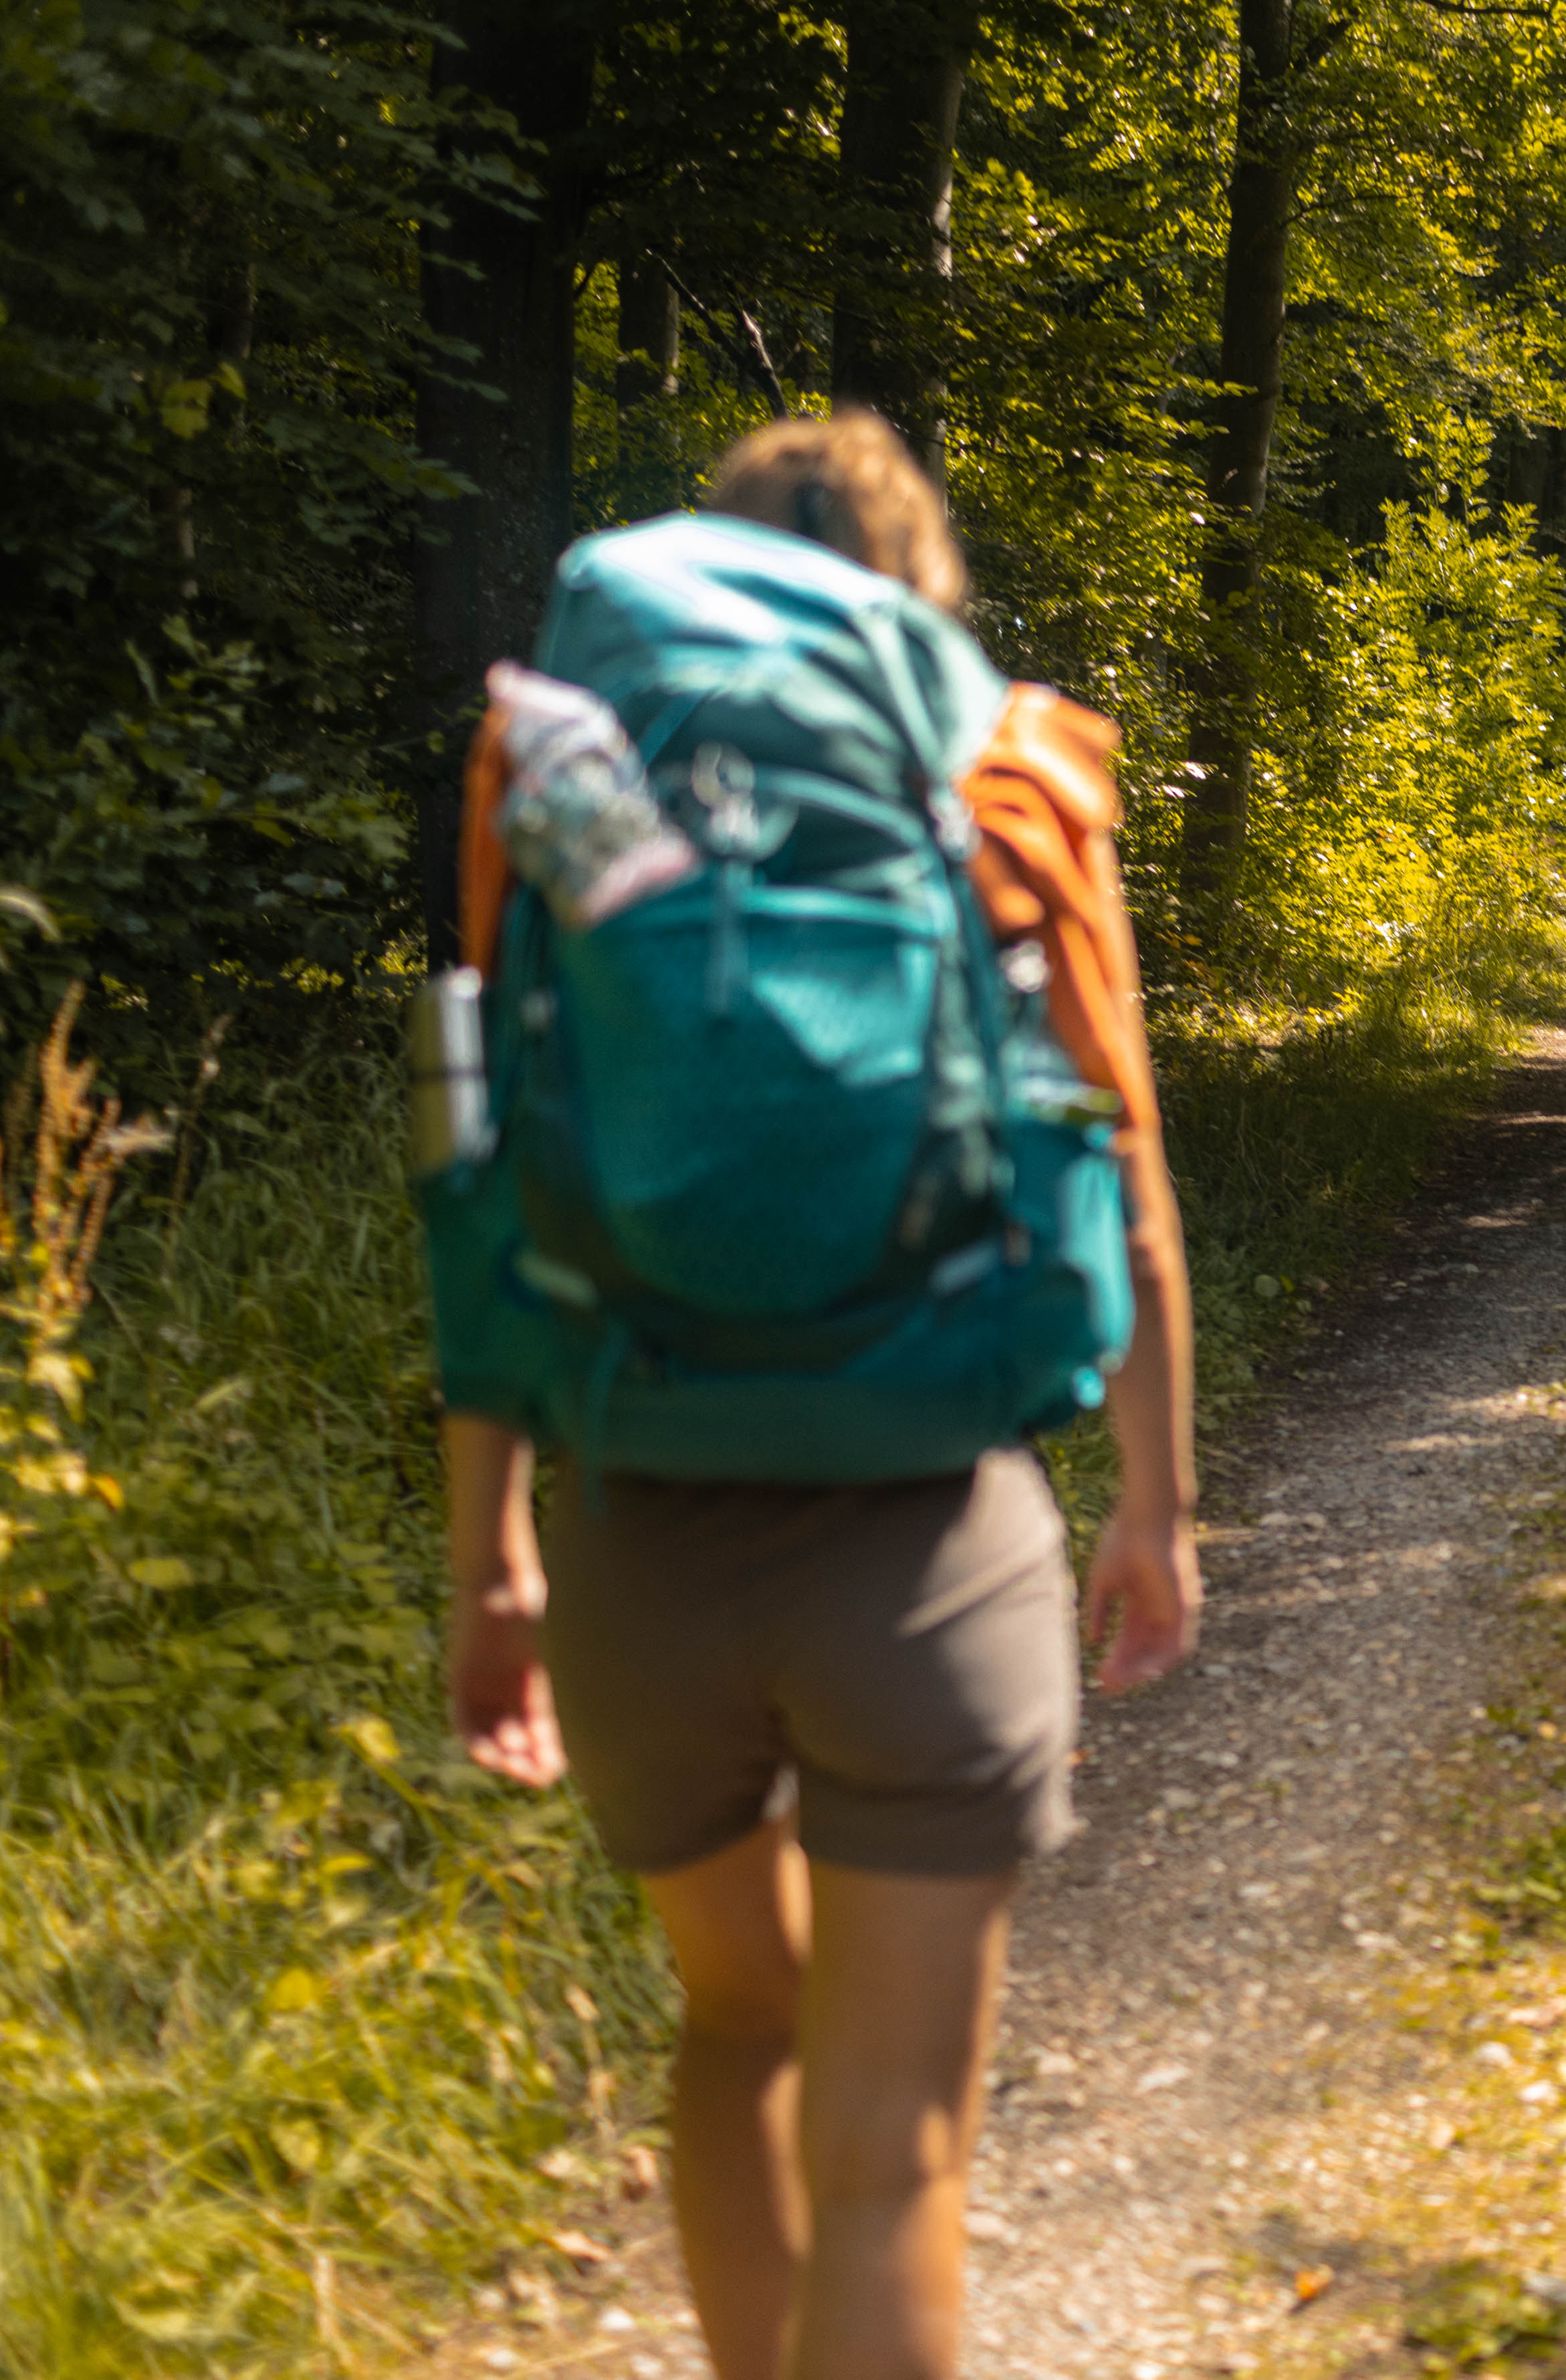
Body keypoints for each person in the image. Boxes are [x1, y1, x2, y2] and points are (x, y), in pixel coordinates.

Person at [435, 410, 1200, 2380]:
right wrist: (1153, 1504)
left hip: (634, 1533)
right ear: (914, 579)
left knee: (735, 2026)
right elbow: (1115, 1153)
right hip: (924, 1534)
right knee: (891, 2156)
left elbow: (496, 1168)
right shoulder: (1005, 765)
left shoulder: (560, 753)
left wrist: (492, 1555)